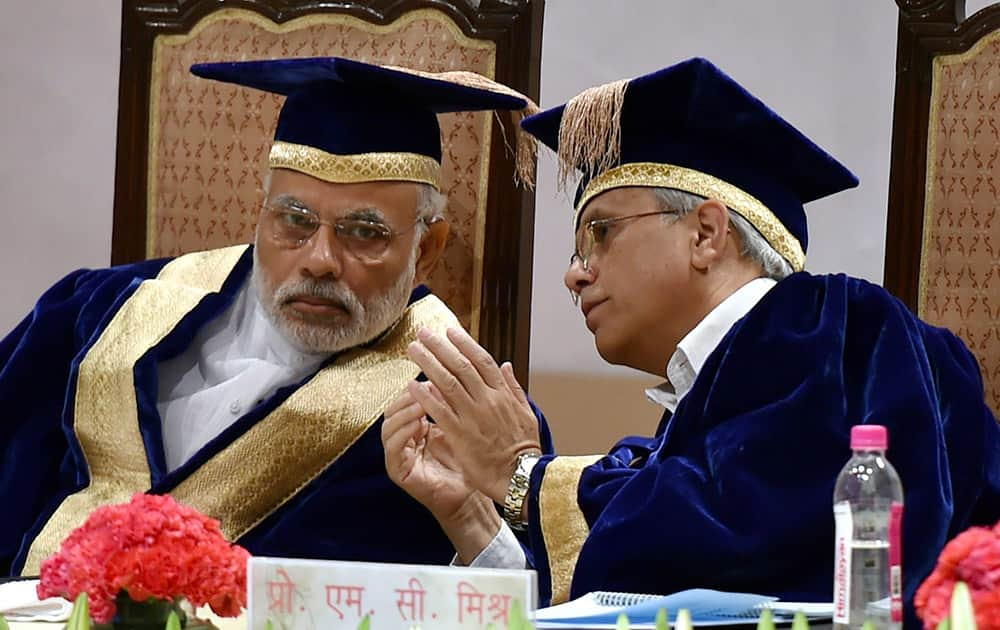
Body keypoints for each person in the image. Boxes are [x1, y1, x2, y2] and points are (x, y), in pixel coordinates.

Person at [381, 57, 1000, 626]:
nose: (575, 272)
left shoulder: (843, 330)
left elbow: (737, 534)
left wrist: (523, 474)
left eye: (600, 232)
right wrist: (471, 512)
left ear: (706, 233)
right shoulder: (721, 397)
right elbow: (619, 597)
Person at [0, 56, 552, 576]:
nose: (319, 260)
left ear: (426, 250)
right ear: (260, 215)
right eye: (295, 220)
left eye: (365, 233)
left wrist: (470, 519)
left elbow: (534, 595)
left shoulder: (459, 409)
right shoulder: (97, 311)